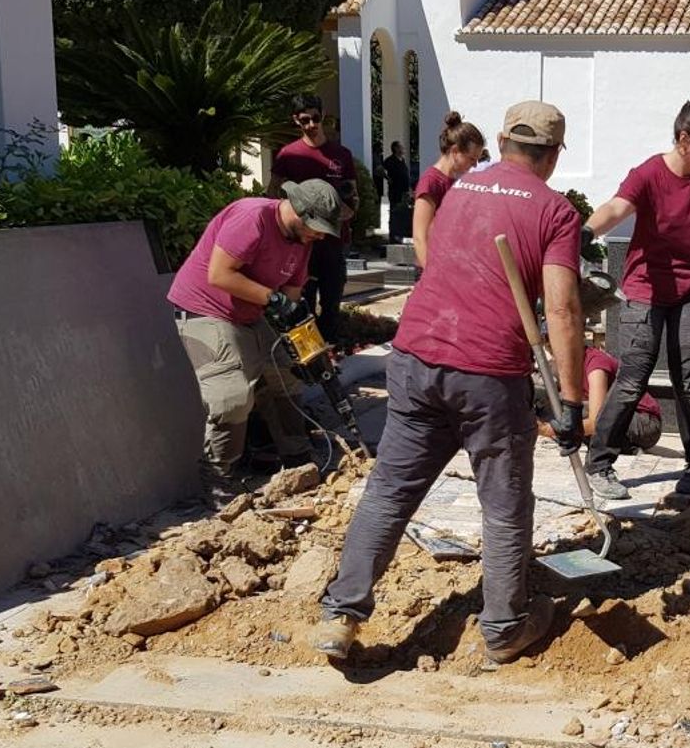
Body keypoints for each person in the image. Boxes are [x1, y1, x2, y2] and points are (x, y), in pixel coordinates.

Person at [309, 101, 584, 665]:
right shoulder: (555, 211)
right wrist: (573, 403)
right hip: (487, 372)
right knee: (504, 503)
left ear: (502, 143)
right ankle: (505, 628)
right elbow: (564, 312)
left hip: (414, 357)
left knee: (390, 490)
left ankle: (342, 612)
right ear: (553, 155)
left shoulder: (458, 190)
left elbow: (436, 262)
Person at [583, 100, 690, 500]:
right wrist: (585, 232)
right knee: (633, 377)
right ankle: (599, 465)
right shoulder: (650, 174)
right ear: (684, 139)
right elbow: (617, 207)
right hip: (645, 291)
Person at [167, 179, 344, 478]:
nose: (320, 236)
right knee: (232, 396)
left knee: (287, 373)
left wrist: (308, 348)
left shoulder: (302, 242)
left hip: (250, 314)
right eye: (317, 228)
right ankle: (220, 478)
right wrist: (271, 298)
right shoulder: (253, 217)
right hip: (205, 310)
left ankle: (297, 458)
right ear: (300, 213)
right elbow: (219, 274)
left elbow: (291, 298)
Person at [269, 95, 359, 344]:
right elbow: (273, 195)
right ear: (296, 120)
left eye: (315, 118)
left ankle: (329, 352)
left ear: (322, 116)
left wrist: (343, 211)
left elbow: (353, 197)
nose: (311, 125)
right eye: (305, 120)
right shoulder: (288, 155)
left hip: (334, 239)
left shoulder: (341, 154)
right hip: (300, 243)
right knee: (300, 300)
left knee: (332, 300)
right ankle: (306, 353)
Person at [539, 347, 664, 454]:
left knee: (573, 411)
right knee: (560, 407)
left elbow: (595, 422)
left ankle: (618, 447)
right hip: (624, 420)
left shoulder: (596, 366)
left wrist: (548, 430)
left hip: (646, 423)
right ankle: (619, 446)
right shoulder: (564, 364)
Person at [412, 111, 485, 267]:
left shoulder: (456, 182)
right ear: (455, 151)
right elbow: (420, 236)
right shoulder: (431, 182)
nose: (475, 165)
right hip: (434, 273)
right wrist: (431, 276)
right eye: (472, 158)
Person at [383, 141, 412, 239]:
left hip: (404, 191)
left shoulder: (402, 160)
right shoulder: (390, 160)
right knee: (394, 212)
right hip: (395, 191)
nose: (403, 149)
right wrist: (388, 178)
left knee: (403, 212)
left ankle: (400, 234)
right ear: (395, 148)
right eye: (401, 147)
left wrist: (409, 189)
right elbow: (379, 169)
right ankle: (393, 235)